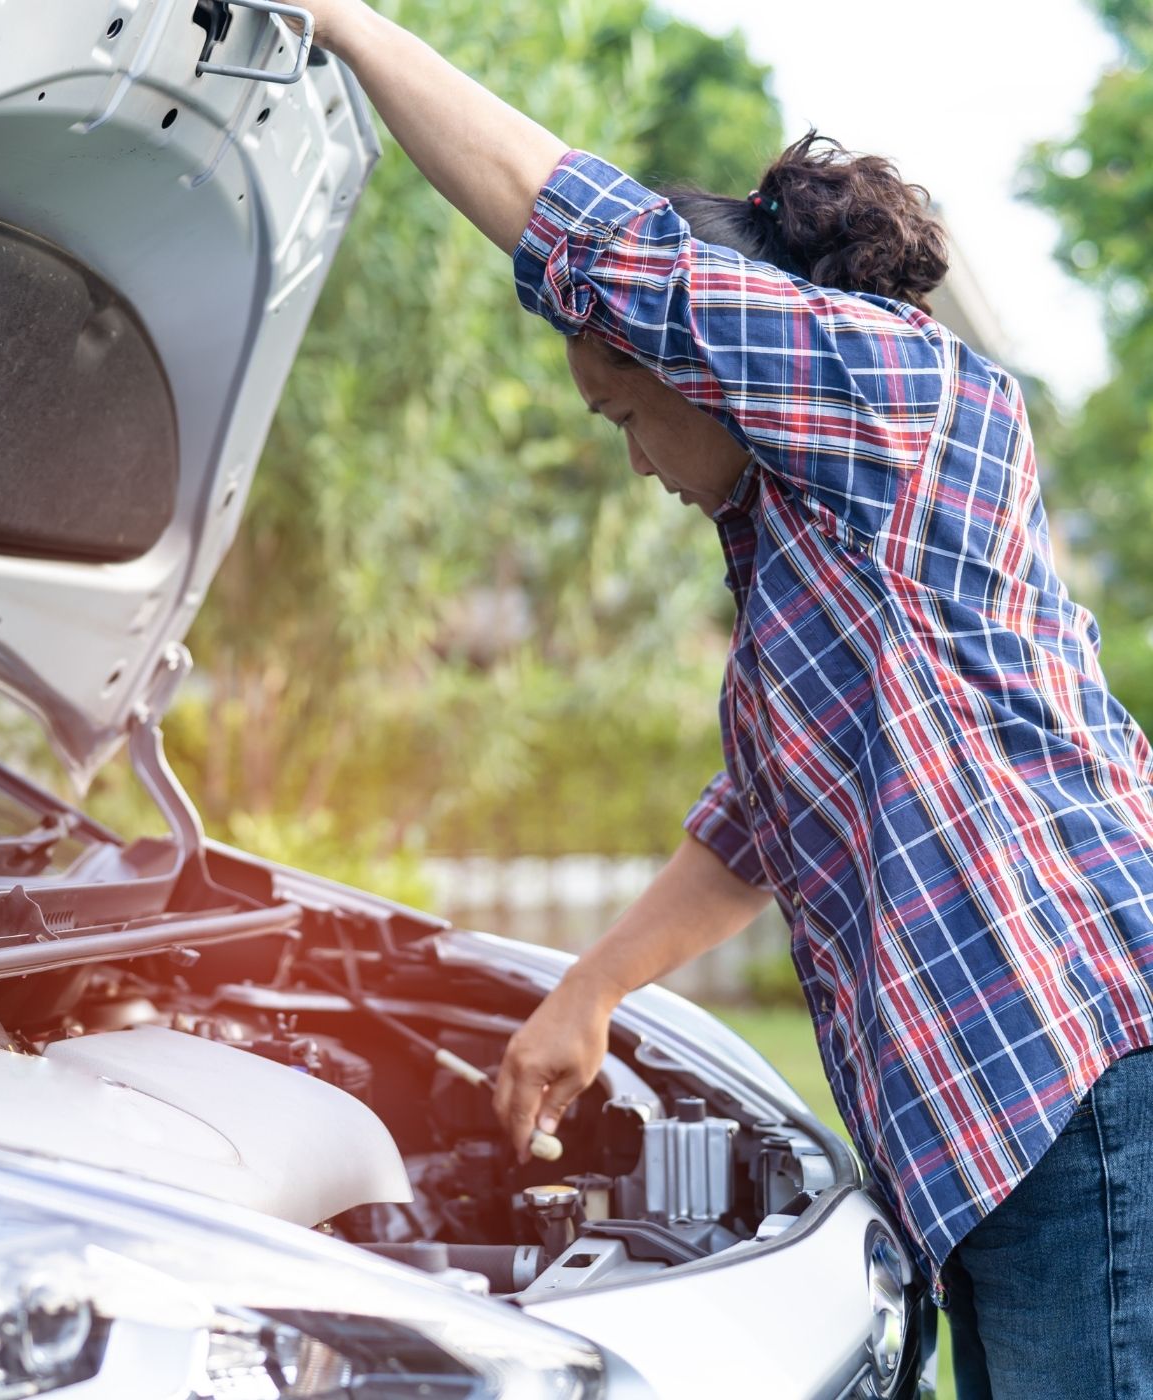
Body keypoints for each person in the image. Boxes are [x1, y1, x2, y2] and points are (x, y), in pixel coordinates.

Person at [290, 4, 1153, 1395]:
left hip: (1080, 1076)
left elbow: (587, 237)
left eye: (623, 411)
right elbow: (762, 821)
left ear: (704, 368)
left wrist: (341, 22)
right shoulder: (798, 539)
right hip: (998, 1127)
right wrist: (589, 989)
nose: (631, 452)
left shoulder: (894, 397)